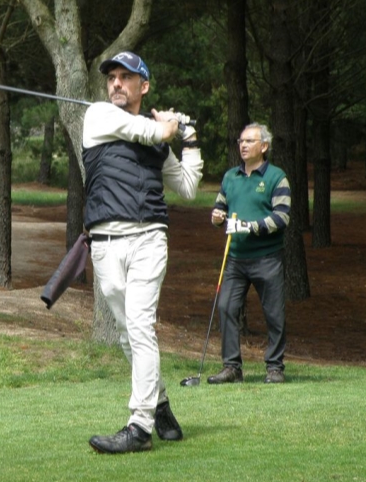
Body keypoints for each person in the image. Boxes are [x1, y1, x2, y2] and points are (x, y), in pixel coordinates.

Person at [83, 51, 204, 454]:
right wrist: (168, 125)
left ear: (143, 86)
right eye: (111, 77)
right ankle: (162, 403)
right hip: (105, 243)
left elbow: (187, 186)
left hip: (148, 238)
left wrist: (188, 139)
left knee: (139, 324)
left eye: (125, 77)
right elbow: (150, 132)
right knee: (126, 335)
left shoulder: (157, 140)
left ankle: (139, 426)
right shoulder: (98, 116)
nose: (116, 83)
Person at [208, 122, 291, 385]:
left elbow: (282, 218)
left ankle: (275, 367)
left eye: (249, 141)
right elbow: (219, 208)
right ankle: (232, 367)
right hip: (235, 258)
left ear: (264, 146)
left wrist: (248, 227)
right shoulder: (230, 177)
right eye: (240, 141)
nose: (242, 145)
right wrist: (217, 217)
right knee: (226, 307)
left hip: (267, 258)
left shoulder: (277, 177)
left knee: (274, 314)